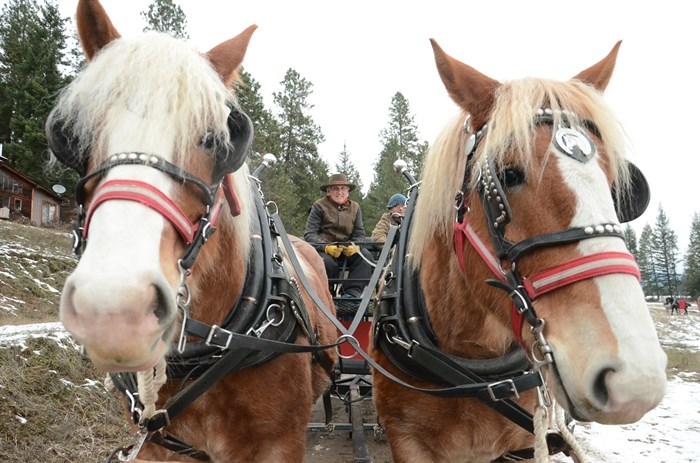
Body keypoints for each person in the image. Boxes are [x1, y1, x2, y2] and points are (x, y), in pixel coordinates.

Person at [304, 173, 374, 298]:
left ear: (348, 192)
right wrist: (325, 247)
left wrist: (355, 246)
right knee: (326, 262)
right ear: (328, 191)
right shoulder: (319, 206)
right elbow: (310, 234)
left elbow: (360, 234)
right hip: (325, 249)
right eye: (336, 188)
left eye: (343, 188)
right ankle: (327, 293)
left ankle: (351, 295)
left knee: (365, 257)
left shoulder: (355, 207)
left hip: (346, 248)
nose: (339, 192)